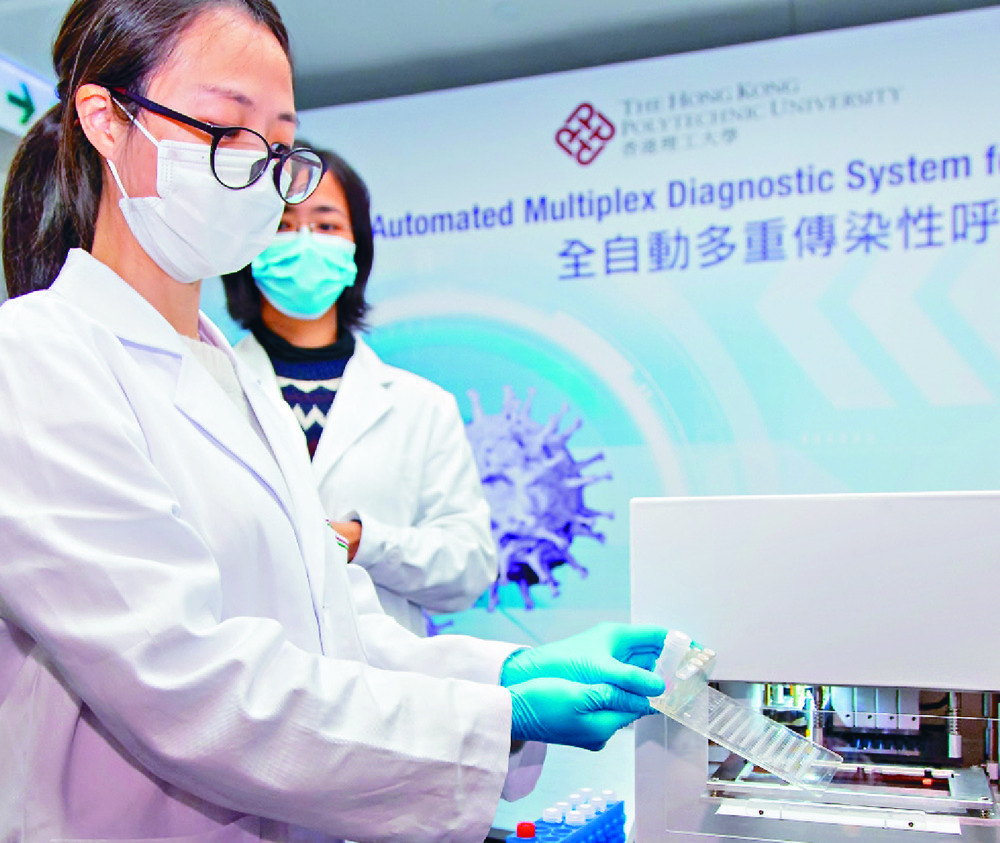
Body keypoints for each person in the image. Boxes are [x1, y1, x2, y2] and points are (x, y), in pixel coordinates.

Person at [0, 1, 669, 840]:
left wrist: (510, 671)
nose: (260, 170)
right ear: (106, 119)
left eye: (279, 144)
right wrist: (494, 721)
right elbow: (189, 684)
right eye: (227, 128)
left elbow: (340, 635)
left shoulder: (241, 388)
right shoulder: (35, 360)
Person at [222, 152, 496, 636]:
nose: (304, 241)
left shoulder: (422, 406)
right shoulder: (205, 387)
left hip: (380, 673)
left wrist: (362, 542)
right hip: (246, 668)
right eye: (283, 225)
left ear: (356, 249)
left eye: (327, 225)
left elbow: (469, 569)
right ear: (246, 244)